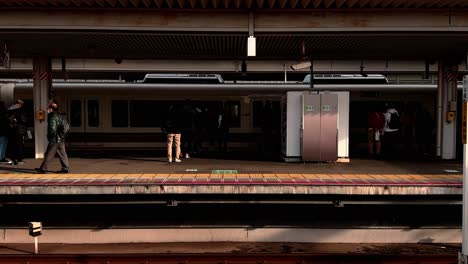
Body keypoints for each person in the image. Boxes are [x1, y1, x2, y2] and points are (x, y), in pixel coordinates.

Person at [35, 102, 70, 173]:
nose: (47, 110)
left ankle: (43, 169)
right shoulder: (60, 116)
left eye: (48, 109)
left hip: (54, 139)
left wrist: (50, 137)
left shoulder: (52, 117)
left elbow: (52, 129)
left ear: (51, 109)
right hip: (61, 139)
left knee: (49, 154)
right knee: (63, 154)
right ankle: (65, 168)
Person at [7, 99, 27, 165]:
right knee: (19, 145)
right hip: (19, 131)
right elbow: (24, 120)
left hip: (13, 131)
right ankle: (19, 159)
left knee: (13, 145)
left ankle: (13, 159)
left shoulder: (11, 110)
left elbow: (9, 119)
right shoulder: (20, 111)